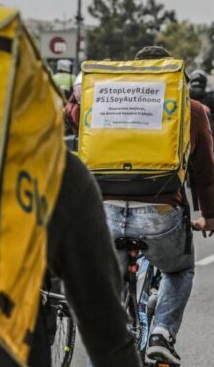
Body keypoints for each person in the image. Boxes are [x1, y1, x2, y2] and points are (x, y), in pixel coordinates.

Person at [102, 46, 214, 366]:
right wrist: (209, 217)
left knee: (106, 286)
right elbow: (204, 172)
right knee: (180, 269)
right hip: (160, 213)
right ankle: (162, 334)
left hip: (105, 212)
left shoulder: (108, 101)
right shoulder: (191, 108)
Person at [29, 153, 143, 367]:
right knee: (179, 271)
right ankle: (163, 333)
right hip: (10, 347)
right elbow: (106, 329)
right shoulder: (53, 165)